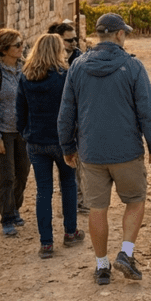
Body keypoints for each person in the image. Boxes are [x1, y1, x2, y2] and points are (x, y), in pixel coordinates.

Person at [58, 12, 151, 285]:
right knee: (135, 201)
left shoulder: (78, 67)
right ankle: (126, 253)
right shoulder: (133, 67)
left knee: (97, 209)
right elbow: (147, 111)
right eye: (124, 33)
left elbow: (66, 112)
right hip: (127, 150)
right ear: (119, 34)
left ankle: (102, 266)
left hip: (91, 153)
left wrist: (68, 146)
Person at [16, 33, 86, 259]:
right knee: (68, 185)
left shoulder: (25, 77)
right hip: (62, 141)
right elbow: (74, 110)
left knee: (43, 192)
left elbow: (20, 113)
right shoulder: (65, 76)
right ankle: (70, 231)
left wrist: (26, 133)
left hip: (36, 142)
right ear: (57, 51)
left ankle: (46, 243)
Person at [0, 28, 31, 237]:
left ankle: (15, 207)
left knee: (22, 173)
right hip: (2, 133)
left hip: (23, 132)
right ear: (3, 49)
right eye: (17, 45)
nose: (22, 48)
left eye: (22, 44)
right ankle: (7, 218)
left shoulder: (24, 69)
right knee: (6, 176)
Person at [48, 20, 88, 212]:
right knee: (66, 163)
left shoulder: (82, 60)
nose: (73, 43)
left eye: (75, 39)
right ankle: (70, 199)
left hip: (80, 120)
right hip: (58, 121)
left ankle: (81, 200)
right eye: (68, 40)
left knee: (81, 162)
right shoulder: (49, 65)